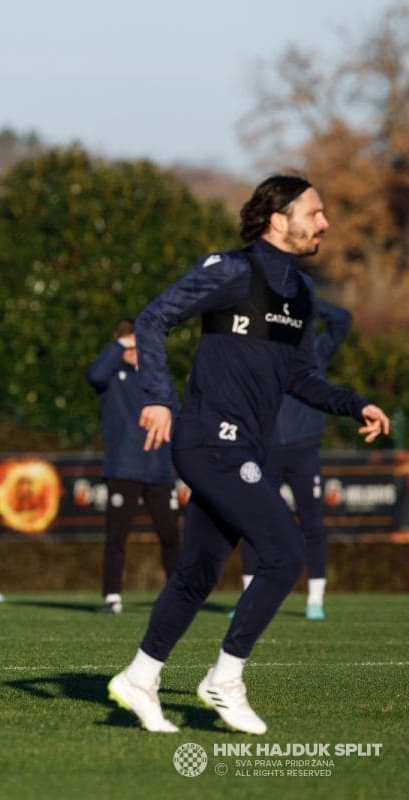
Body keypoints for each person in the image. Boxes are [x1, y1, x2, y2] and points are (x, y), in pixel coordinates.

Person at [107, 175, 389, 736]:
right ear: (276, 218)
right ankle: (225, 678)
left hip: (243, 444)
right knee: (284, 550)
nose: (325, 222)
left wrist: (356, 403)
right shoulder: (234, 271)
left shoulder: (303, 294)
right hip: (210, 439)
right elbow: (153, 318)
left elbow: (303, 377)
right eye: (316, 211)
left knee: (197, 574)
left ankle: (139, 677)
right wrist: (159, 399)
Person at [237, 298, 351, 620]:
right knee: (253, 521)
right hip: (267, 451)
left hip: (304, 451)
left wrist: (310, 304)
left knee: (312, 523)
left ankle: (315, 599)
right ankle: (249, 598)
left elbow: (343, 319)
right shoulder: (261, 353)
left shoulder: (315, 352)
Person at [85, 318, 180, 615]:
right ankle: (112, 597)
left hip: (159, 469)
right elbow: (94, 374)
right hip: (123, 469)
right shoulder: (110, 376)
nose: (134, 351)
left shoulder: (157, 378)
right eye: (129, 345)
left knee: (171, 535)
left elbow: (173, 416)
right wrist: (119, 345)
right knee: (117, 536)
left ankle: (178, 596)